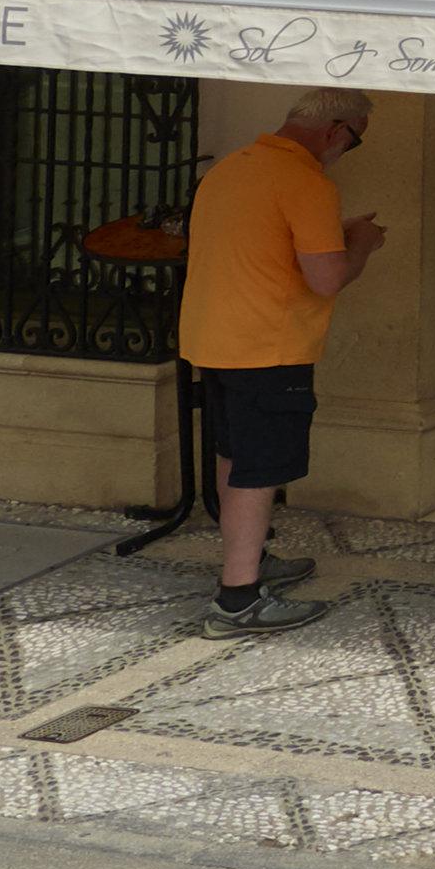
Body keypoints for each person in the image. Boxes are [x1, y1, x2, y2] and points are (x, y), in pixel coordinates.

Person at [175, 90, 381, 634]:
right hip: (268, 347)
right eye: (356, 140)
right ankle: (237, 598)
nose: (347, 150)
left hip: (213, 338)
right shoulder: (306, 182)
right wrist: (360, 243)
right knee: (257, 471)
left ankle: (250, 562)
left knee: (232, 458)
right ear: (337, 130)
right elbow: (328, 277)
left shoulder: (230, 169)